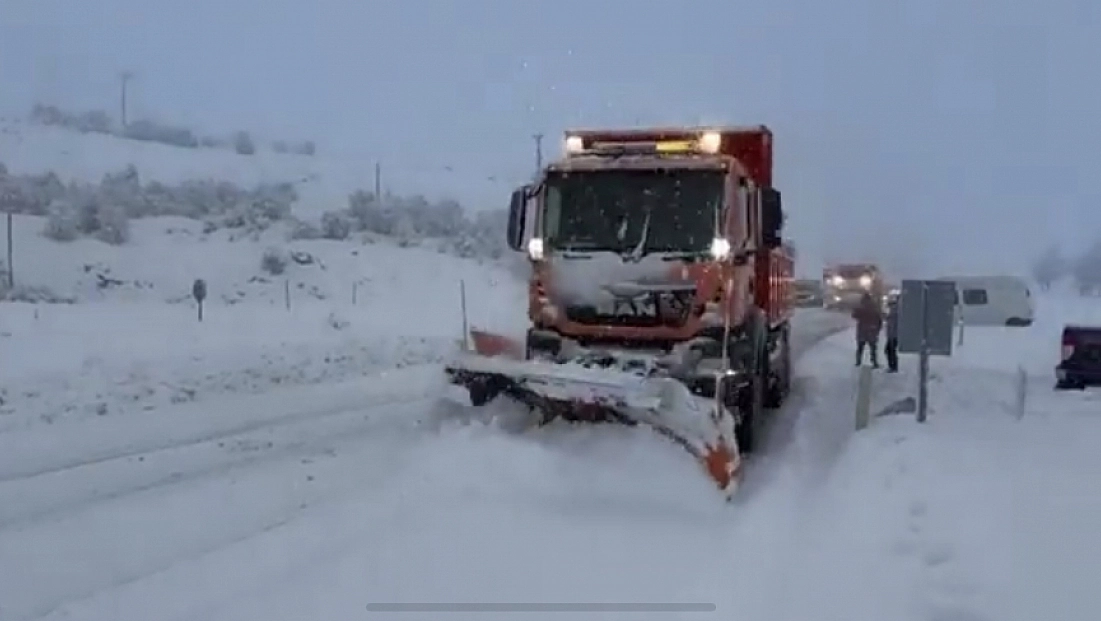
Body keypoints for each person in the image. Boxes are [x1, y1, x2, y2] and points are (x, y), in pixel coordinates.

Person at [851, 292, 884, 367]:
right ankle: (874, 362)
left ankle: (858, 362)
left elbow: (854, 316)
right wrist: (877, 330)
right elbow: (879, 319)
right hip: (872, 330)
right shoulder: (874, 308)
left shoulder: (860, 307)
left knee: (860, 347)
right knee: (873, 348)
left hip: (862, 330)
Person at [884, 296, 899, 372]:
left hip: (893, 335)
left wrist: (891, 335)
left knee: (890, 350)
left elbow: (893, 324)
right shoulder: (895, 311)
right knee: (890, 350)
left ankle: (893, 367)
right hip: (893, 335)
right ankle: (893, 366)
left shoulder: (894, 311)